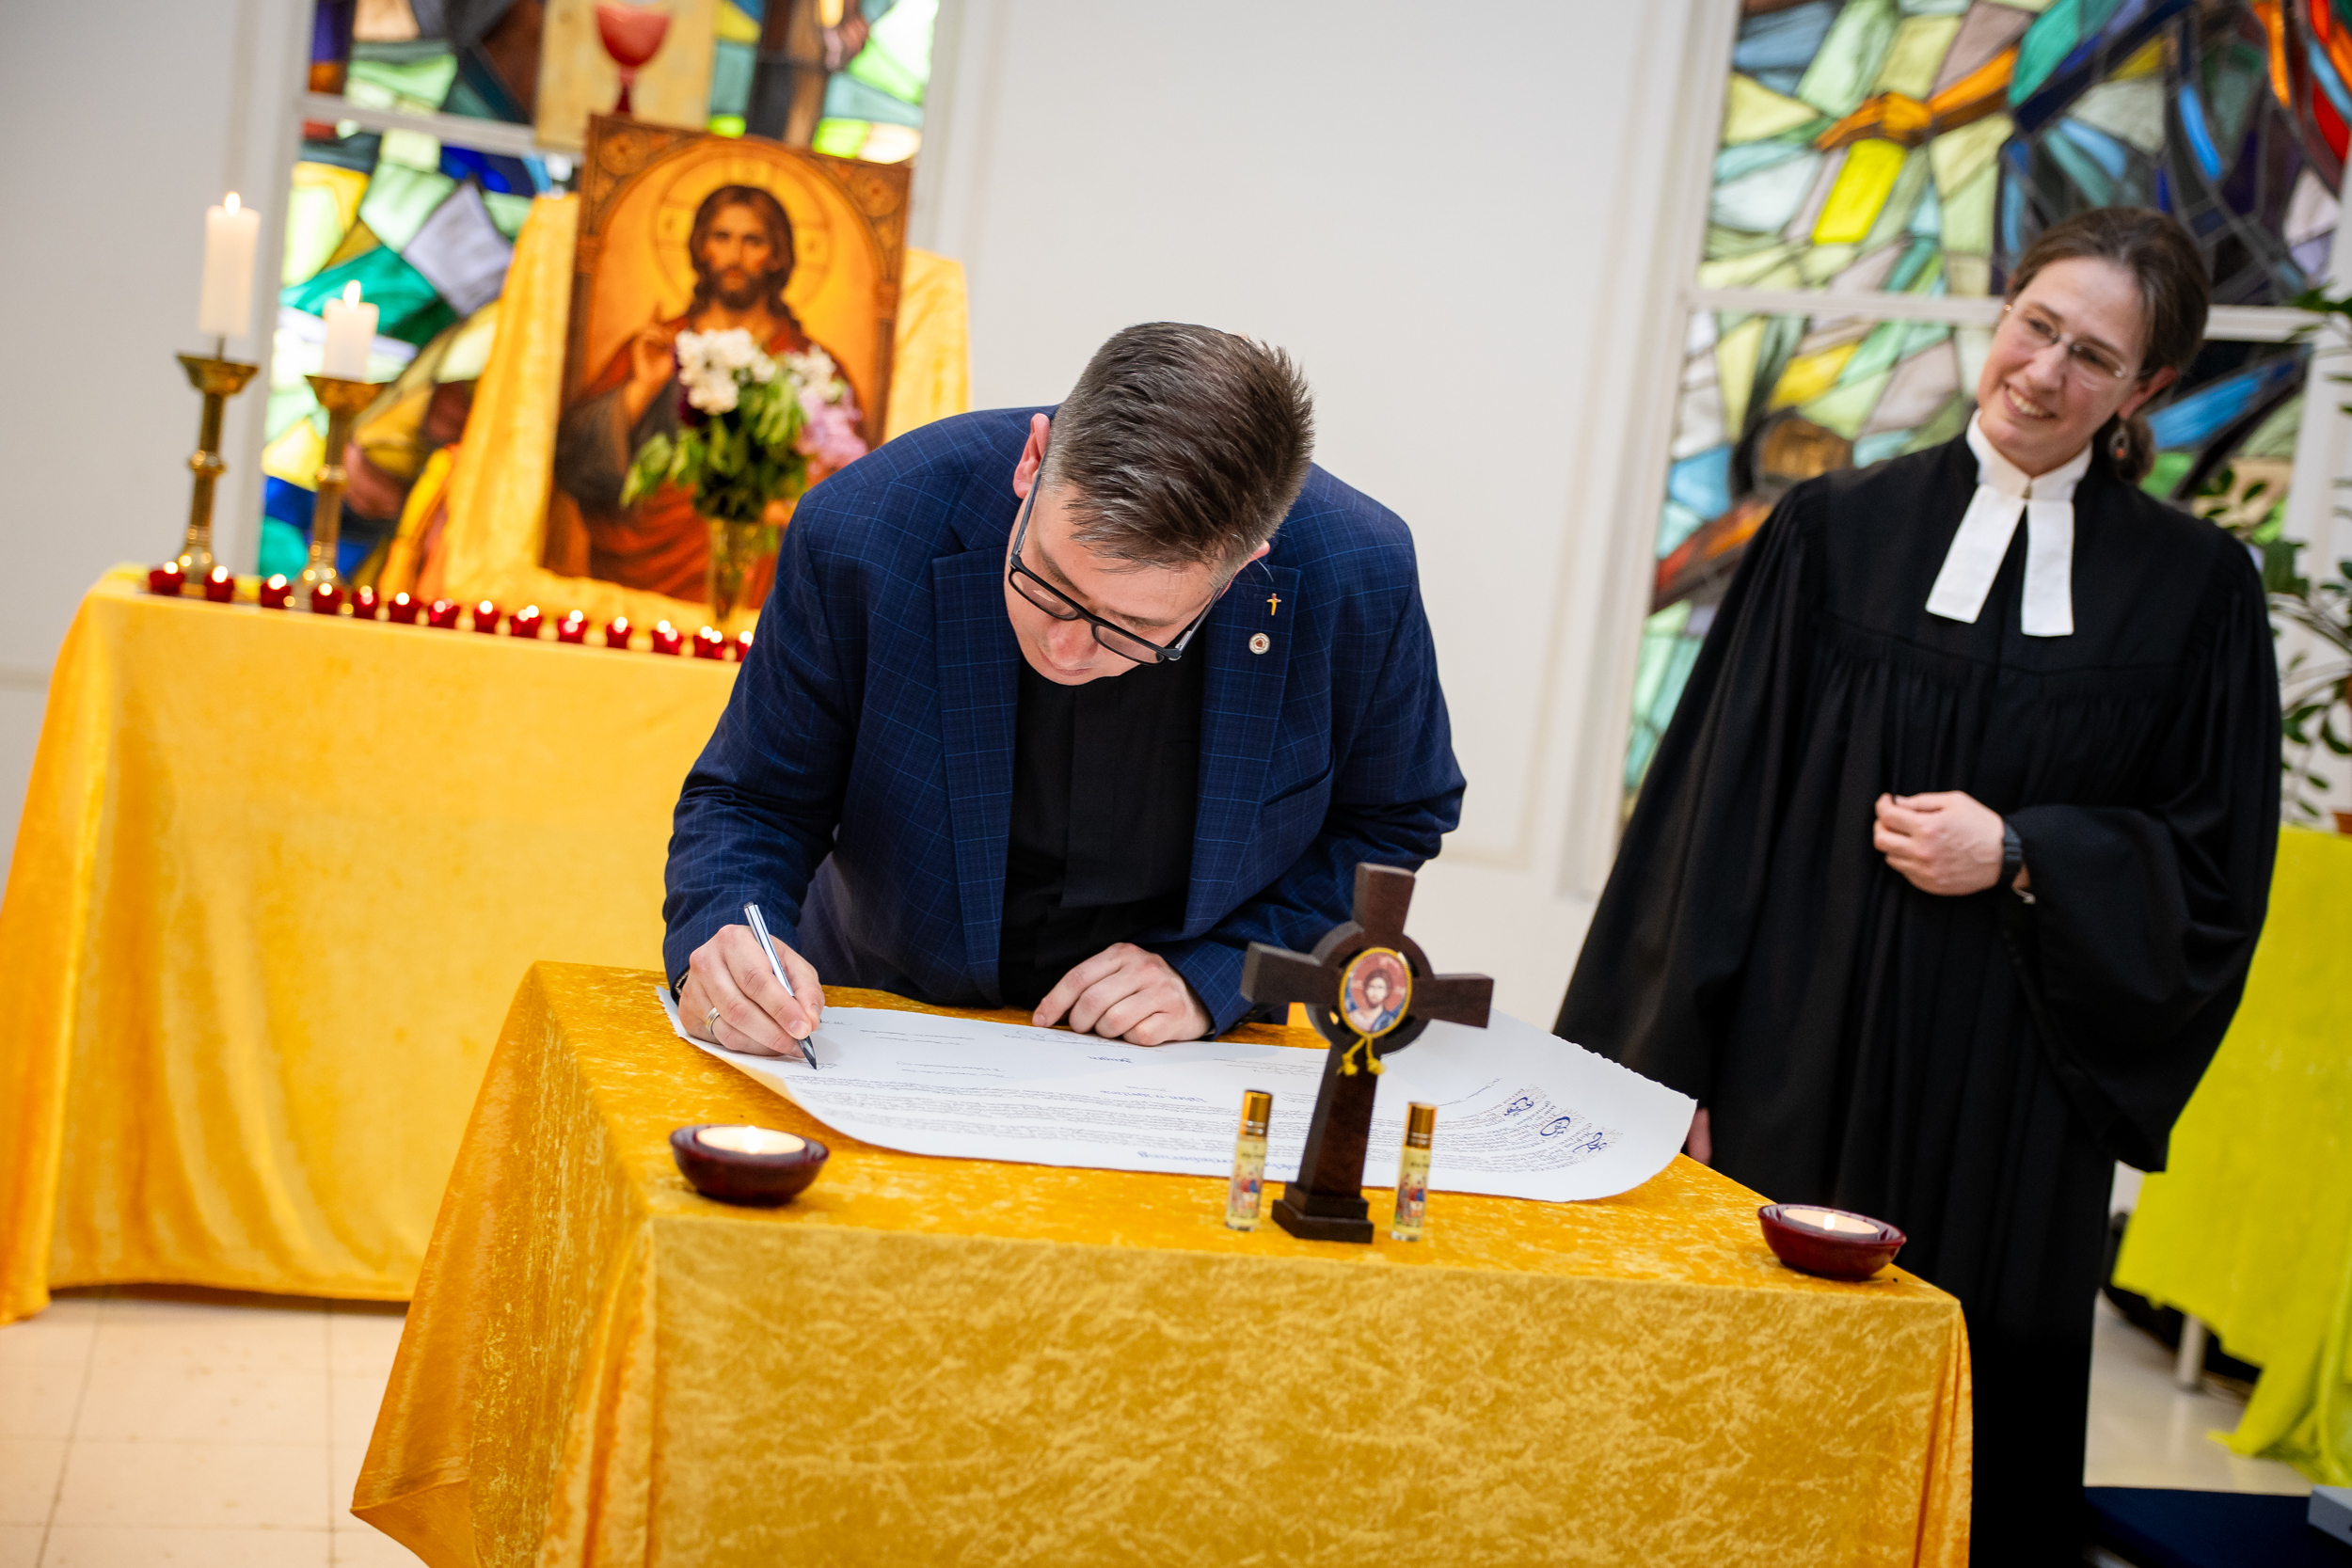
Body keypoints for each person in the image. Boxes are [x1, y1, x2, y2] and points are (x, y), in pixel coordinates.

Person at [1555, 208, 2279, 1563]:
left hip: (2014, 1098)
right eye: (2035, 326)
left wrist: (2026, 850)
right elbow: (1712, 812)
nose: (2044, 372)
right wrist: (1666, 1071)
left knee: (1968, 1434)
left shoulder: (2195, 592)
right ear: (2000, 314)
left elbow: (2213, 863)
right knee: (1755, 1412)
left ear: (2147, 389)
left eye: (2093, 356)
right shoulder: (1833, 532)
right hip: (1797, 1057)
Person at [665, 323, 1463, 1052]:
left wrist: (1218, 972)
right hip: (879, 1017)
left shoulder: (1358, 574)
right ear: (1034, 460)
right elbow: (755, 799)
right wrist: (733, 941)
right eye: (1047, 581)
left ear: (1241, 569)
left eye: (1134, 627)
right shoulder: (863, 529)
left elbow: (1392, 817)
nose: (1068, 647)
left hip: (1181, 1059)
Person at [554, 184, 861, 597]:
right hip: (647, 572)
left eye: (753, 240)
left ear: (777, 256)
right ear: (702, 247)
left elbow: (848, 482)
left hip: (762, 574)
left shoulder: (810, 364)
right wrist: (642, 388)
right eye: (722, 237)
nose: (735, 255)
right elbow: (574, 462)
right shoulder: (659, 346)